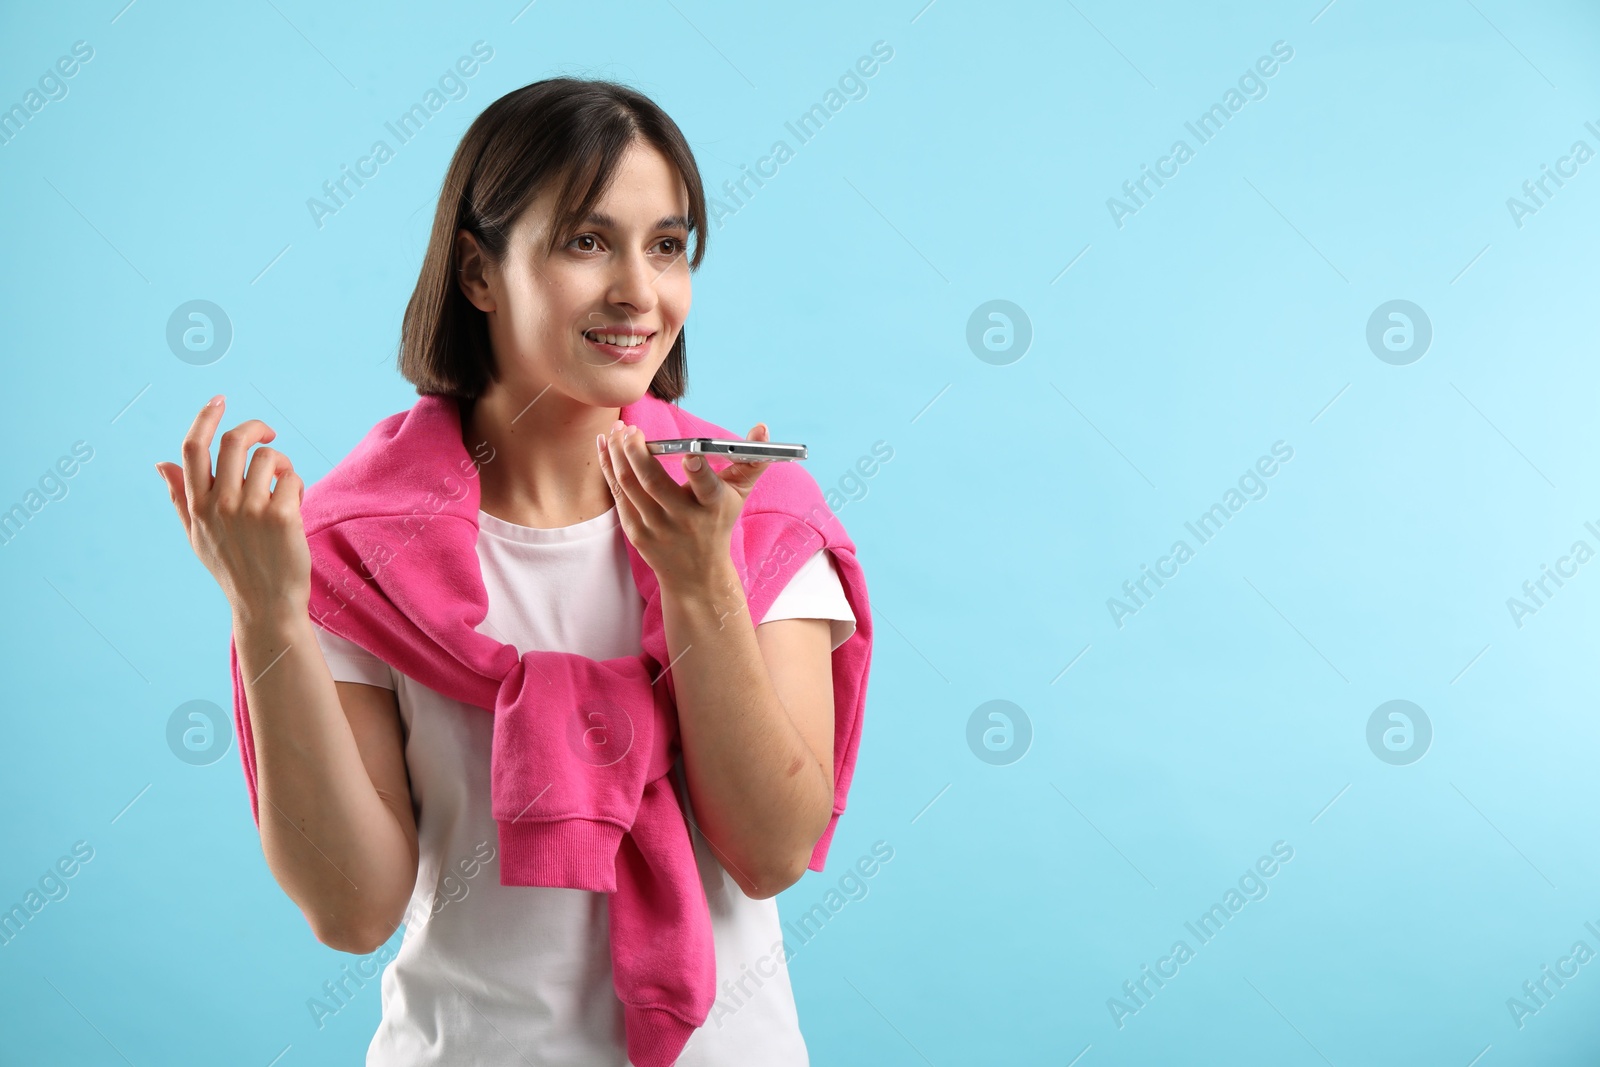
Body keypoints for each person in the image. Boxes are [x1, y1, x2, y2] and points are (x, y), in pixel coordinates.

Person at [154, 77, 863, 1065]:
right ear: (479, 273)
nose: (637, 291)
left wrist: (700, 582)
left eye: (666, 245)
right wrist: (269, 618)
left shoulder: (754, 518)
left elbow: (772, 847)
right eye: (585, 241)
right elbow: (352, 908)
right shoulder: (357, 551)